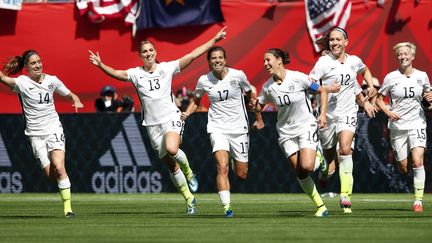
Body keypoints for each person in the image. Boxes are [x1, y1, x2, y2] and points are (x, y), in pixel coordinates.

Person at [88, 26, 228, 214]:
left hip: (171, 117)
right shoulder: (136, 74)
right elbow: (117, 73)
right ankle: (189, 199)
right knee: (170, 164)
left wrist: (214, 40)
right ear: (140, 55)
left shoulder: (167, 68)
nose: (148, 54)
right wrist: (100, 64)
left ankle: (190, 173)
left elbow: (193, 54)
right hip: (151, 125)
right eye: (144, 51)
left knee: (172, 149)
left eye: (151, 50)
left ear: (156, 52)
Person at [181, 46, 264, 217]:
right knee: (222, 167)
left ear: (225, 59)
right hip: (217, 128)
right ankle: (227, 208)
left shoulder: (238, 75)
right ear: (209, 62)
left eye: (220, 57)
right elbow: (196, 100)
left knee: (241, 174)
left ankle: (235, 158)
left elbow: (251, 95)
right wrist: (187, 113)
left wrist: (258, 118)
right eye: (213, 58)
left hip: (239, 128)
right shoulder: (204, 80)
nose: (217, 61)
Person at [0, 50, 83, 218]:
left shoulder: (52, 80)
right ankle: (62, 186)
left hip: (53, 129)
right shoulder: (21, 83)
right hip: (35, 135)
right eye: (33, 63)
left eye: (39, 61)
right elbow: (2, 78)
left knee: (60, 168)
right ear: (26, 67)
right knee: (53, 177)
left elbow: (69, 94)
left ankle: (68, 209)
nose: (37, 65)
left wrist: (76, 100)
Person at [254, 48, 329, 217]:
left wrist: (323, 114)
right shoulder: (268, 87)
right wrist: (258, 119)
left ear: (279, 60)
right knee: (300, 172)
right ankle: (321, 207)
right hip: (286, 133)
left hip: (305, 127)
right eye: (264, 61)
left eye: (268, 60)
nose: (265, 64)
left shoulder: (299, 77)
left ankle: (321, 159)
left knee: (308, 166)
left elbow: (322, 90)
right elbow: (259, 105)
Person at [309, 27, 377, 213]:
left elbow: (365, 71)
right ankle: (324, 171)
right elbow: (310, 84)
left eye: (338, 39)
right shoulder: (323, 62)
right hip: (328, 117)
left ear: (346, 41)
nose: (335, 43)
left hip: (348, 114)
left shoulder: (354, 61)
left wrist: (369, 88)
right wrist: (327, 89)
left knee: (346, 149)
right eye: (331, 40)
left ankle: (345, 195)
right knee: (329, 161)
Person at [375, 42, 431, 212]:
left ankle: (418, 202)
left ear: (412, 56)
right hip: (398, 126)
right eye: (400, 54)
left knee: (417, 160)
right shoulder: (391, 77)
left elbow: (429, 97)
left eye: (406, 53)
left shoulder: (422, 76)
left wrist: (430, 98)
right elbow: (378, 99)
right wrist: (388, 112)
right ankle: (405, 171)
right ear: (397, 57)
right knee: (403, 167)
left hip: (417, 123)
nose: (403, 56)